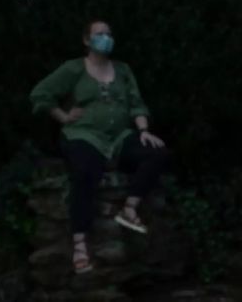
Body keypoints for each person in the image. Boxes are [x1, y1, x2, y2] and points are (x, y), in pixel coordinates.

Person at [30, 20, 171, 274]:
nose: (106, 38)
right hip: (84, 135)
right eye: (99, 34)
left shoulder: (123, 70)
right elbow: (41, 94)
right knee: (85, 171)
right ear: (87, 40)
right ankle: (80, 243)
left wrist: (144, 131)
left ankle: (129, 209)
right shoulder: (73, 69)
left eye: (109, 34)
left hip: (119, 137)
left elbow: (136, 103)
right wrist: (62, 116)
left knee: (156, 153)